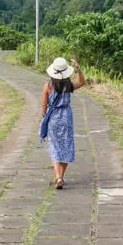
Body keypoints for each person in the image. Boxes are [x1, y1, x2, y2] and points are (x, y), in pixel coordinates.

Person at [39, 57, 86, 189]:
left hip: (53, 117)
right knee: (66, 146)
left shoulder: (48, 86)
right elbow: (82, 82)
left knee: (55, 146)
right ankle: (61, 177)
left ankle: (58, 177)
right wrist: (78, 68)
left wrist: (44, 116)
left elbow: (44, 103)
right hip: (66, 117)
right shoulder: (68, 85)